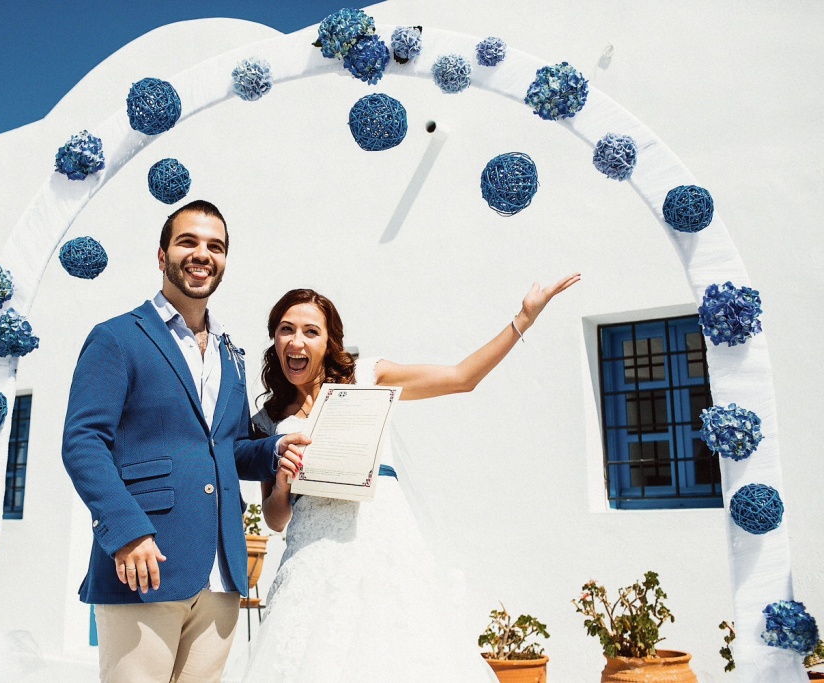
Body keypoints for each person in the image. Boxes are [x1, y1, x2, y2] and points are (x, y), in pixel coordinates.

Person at [241, 275, 580, 682]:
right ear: (275, 339)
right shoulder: (266, 422)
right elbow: (275, 519)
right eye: (286, 329)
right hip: (312, 563)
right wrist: (282, 481)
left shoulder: (368, 377)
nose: (297, 341)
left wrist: (524, 318)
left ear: (329, 342)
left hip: (383, 548)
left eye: (311, 331)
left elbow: (462, 377)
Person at [61, 199, 308, 683]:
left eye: (215, 246)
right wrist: (126, 531)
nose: (202, 254)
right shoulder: (116, 338)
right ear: (162, 256)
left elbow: (229, 448)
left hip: (222, 573)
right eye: (188, 242)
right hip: (144, 563)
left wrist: (273, 450)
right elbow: (83, 442)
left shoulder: (231, 354)